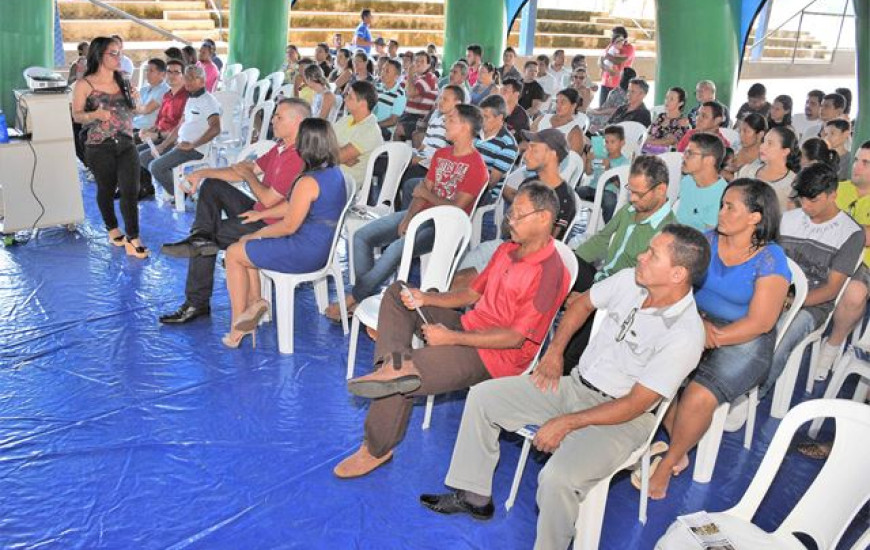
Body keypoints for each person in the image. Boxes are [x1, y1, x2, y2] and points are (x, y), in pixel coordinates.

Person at [419, 225, 708, 550]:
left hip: (622, 418)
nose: (641, 256)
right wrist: (555, 354)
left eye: (653, 254)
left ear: (677, 274)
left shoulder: (685, 334)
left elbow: (637, 404)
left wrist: (567, 422)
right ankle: (474, 495)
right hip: (576, 386)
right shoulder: (631, 280)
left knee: (557, 479)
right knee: (484, 397)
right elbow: (583, 304)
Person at [334, 183, 572, 478]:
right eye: (511, 212)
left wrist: (451, 338)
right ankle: (393, 364)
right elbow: (472, 294)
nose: (509, 219)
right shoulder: (508, 249)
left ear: (543, 218)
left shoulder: (550, 272)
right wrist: (426, 298)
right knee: (398, 292)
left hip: (494, 356)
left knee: (405, 377)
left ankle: (376, 448)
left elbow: (514, 338)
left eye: (518, 215)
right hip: (471, 327)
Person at [647, 178, 791, 501]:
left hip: (746, 337)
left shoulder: (771, 259)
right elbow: (677, 288)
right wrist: (698, 324)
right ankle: (681, 439)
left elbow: (762, 321)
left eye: (730, 207)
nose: (721, 212)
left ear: (755, 217)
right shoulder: (706, 242)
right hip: (697, 321)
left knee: (698, 396)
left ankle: (669, 461)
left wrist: (714, 336)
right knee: (654, 371)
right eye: (722, 204)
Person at [324, 105, 489, 321]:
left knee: (393, 250)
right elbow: (422, 192)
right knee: (362, 237)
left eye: (451, 119)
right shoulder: (442, 154)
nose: (444, 122)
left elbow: (453, 209)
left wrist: (425, 196)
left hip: (443, 228)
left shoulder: (477, 167)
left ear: (466, 127)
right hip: (421, 215)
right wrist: (409, 218)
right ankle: (363, 299)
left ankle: (353, 299)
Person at [159, 99, 311, 324]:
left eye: (279, 117)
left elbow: (267, 197)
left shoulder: (298, 155)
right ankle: (199, 237)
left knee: (205, 243)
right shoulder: (280, 146)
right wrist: (202, 173)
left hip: (275, 225)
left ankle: (196, 303)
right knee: (212, 186)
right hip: (261, 213)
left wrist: (248, 175)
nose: (273, 120)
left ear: (298, 122)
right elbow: (245, 170)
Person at [222, 118, 348, 348]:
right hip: (321, 248)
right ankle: (255, 303)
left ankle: (236, 326)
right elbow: (294, 205)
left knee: (233, 253)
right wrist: (260, 218)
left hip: (304, 251)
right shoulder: (334, 173)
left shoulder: (308, 181)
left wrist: (259, 233)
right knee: (243, 245)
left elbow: (289, 224)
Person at [563, 156, 677, 371]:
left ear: (661, 190)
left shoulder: (667, 234)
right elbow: (601, 240)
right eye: (629, 190)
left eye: (638, 193)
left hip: (622, 299)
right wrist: (570, 265)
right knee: (557, 266)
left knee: (572, 348)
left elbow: (639, 290)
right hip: (602, 279)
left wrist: (590, 298)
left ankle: (563, 377)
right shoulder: (630, 211)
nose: (632, 198)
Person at [759, 164, 863, 399]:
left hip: (812, 305)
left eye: (813, 200)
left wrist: (791, 302)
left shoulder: (850, 233)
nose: (805, 206)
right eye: (803, 199)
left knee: (781, 336)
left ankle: (756, 392)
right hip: (775, 291)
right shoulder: (789, 219)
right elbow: (767, 260)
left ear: (833, 195)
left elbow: (831, 290)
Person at [450, 129, 577, 292]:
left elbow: (542, 246)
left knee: (461, 282)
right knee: (452, 273)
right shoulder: (530, 183)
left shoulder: (564, 197)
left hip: (523, 262)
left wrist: (516, 225)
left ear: (552, 154)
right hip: (506, 245)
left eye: (534, 148)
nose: (526, 154)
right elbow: (506, 227)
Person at [71, 36, 147, 258]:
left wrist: (136, 99)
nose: (118, 57)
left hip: (126, 142)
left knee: (131, 190)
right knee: (106, 188)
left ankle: (133, 237)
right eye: (112, 53)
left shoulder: (122, 78)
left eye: (119, 53)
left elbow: (132, 111)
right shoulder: (84, 84)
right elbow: (77, 116)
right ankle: (112, 228)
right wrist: (95, 114)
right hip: (99, 145)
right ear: (99, 55)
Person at [813, 142, 870, 379]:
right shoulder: (837, 188)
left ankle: (832, 346)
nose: (857, 166)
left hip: (863, 264)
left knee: (855, 293)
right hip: (824, 255)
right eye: (857, 160)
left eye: (865, 163)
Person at [145, 65, 221, 198]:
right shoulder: (191, 98)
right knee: (144, 157)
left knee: (156, 167)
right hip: (180, 144)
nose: (188, 81)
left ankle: (181, 194)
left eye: (193, 78)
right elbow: (180, 125)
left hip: (194, 149)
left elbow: (215, 128)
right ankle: (148, 188)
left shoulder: (208, 101)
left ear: (202, 81)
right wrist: (163, 145)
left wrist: (193, 145)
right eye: (186, 77)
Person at [136, 59, 188, 193]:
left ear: (184, 76)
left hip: (176, 140)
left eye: (176, 72)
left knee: (145, 157)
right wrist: (148, 130)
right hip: (162, 136)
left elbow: (180, 129)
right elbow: (159, 122)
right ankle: (144, 186)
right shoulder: (167, 95)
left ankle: (179, 192)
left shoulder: (187, 97)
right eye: (169, 71)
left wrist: (157, 135)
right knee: (134, 151)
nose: (172, 75)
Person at [333, 80, 384, 190]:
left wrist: (337, 153)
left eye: (350, 97)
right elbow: (324, 139)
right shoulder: (348, 119)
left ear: (363, 104)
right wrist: (344, 156)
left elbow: (336, 157)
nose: (345, 99)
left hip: (344, 184)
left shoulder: (370, 130)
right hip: (330, 173)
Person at [737, 126, 800, 211]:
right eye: (763, 141)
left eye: (770, 143)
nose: (762, 147)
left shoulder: (793, 184)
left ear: (785, 151)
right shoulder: (746, 171)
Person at [676, 133, 728, 231]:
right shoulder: (688, 180)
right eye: (685, 152)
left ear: (709, 160)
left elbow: (709, 238)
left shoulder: (722, 196)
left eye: (690, 153)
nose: (683, 157)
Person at [474, 95, 519, 205]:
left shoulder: (508, 145)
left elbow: (490, 183)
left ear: (499, 118)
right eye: (480, 116)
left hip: (485, 195)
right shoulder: (474, 132)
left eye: (486, 117)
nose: (481, 121)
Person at [579, 124, 628, 223]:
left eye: (612, 142)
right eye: (606, 142)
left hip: (608, 191)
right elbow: (588, 173)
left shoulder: (624, 163)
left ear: (622, 143)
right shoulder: (601, 155)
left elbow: (620, 185)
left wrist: (609, 168)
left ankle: (608, 228)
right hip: (592, 188)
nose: (608, 145)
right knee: (574, 193)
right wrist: (588, 160)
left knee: (610, 203)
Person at [395, 51, 438, 141]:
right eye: (416, 60)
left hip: (420, 118)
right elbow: (399, 92)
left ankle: (397, 154)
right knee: (396, 129)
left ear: (428, 65)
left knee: (399, 130)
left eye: (422, 61)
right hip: (407, 114)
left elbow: (410, 93)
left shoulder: (429, 77)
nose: (418, 63)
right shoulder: (413, 77)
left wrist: (410, 75)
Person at [533, 88, 586, 156]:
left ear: (573, 106)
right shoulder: (541, 118)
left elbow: (573, 161)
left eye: (563, 102)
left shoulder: (575, 132)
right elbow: (528, 140)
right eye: (557, 102)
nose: (558, 106)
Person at [641, 86, 691, 154]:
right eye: (667, 98)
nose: (667, 101)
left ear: (680, 103)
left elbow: (669, 141)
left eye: (671, 99)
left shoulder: (682, 122)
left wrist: (646, 142)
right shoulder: (661, 116)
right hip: (648, 151)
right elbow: (649, 133)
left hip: (666, 157)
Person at [586, 67, 634, 133]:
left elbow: (617, 110)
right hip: (606, 115)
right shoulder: (619, 90)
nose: (619, 76)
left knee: (588, 118)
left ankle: (595, 140)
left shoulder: (624, 94)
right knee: (586, 113)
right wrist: (594, 110)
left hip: (613, 119)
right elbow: (605, 106)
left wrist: (598, 112)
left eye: (621, 74)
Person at [722, 113, 766, 181]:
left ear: (760, 134)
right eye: (740, 131)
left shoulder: (763, 161)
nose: (741, 135)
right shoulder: (734, 149)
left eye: (746, 131)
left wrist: (729, 176)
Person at [598, 26, 635, 107]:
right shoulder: (611, 45)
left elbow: (619, 61)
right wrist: (606, 68)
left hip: (619, 86)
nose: (612, 37)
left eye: (614, 35)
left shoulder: (629, 48)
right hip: (605, 83)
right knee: (602, 108)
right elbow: (600, 61)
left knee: (615, 111)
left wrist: (607, 57)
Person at [132, 58, 169, 134]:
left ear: (162, 74)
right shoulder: (144, 89)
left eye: (151, 71)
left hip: (145, 130)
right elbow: (134, 110)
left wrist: (135, 98)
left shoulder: (165, 90)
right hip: (133, 125)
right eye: (147, 70)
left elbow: (146, 110)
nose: (147, 73)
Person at [374, 58, 406, 138]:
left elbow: (393, 120)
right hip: (372, 125)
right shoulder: (377, 87)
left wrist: (374, 125)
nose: (383, 73)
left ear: (396, 76)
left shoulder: (399, 94)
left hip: (385, 131)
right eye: (383, 70)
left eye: (387, 71)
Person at [500, 78, 530, 143]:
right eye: (501, 90)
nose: (501, 93)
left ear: (516, 94)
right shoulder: (496, 108)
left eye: (505, 91)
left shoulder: (521, 117)